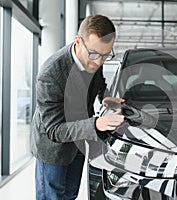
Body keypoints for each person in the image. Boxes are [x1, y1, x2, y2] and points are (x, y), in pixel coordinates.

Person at [31, 14, 125, 200]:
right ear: (78, 42)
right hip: (53, 149)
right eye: (94, 54)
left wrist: (105, 98)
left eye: (106, 55)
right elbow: (55, 130)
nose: (98, 62)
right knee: (53, 196)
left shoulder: (94, 56)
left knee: (70, 194)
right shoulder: (50, 74)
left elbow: (98, 82)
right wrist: (97, 124)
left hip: (78, 141)